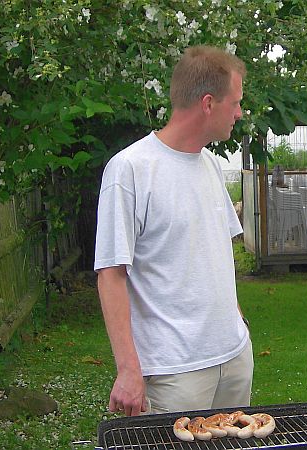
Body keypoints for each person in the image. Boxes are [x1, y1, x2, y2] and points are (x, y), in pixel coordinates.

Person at [94, 45, 252, 417]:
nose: (240, 113)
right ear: (208, 103)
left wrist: (239, 324)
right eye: (236, 103)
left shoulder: (211, 165)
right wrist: (129, 370)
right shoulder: (130, 170)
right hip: (174, 373)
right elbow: (111, 275)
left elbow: (216, 255)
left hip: (233, 359)